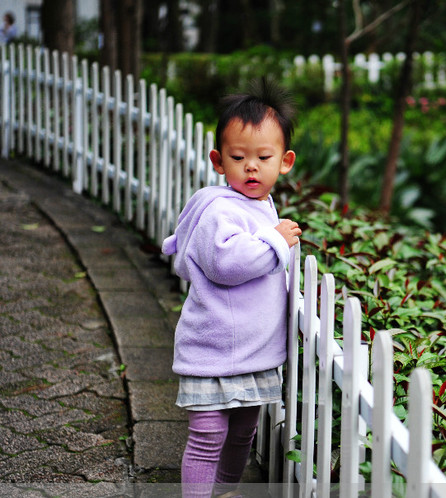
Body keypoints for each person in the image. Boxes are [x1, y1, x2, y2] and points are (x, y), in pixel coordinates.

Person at [162, 78, 301, 498]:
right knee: (207, 437)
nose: (251, 167)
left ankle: (225, 490)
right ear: (219, 161)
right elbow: (228, 264)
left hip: (253, 352)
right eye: (238, 157)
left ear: (285, 161)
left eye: (263, 157)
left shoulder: (261, 204)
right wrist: (276, 241)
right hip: (213, 348)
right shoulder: (220, 210)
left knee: (244, 432)